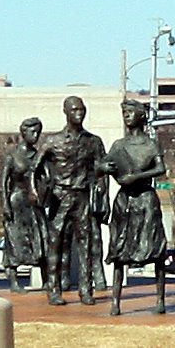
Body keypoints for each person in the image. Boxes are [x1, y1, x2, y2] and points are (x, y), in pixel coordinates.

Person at [39, 96, 106, 306]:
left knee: (86, 244)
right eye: (75, 109)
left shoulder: (93, 141)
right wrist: (37, 193)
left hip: (82, 196)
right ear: (66, 112)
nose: (79, 113)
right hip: (60, 197)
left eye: (82, 109)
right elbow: (35, 168)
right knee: (55, 244)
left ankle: (86, 290)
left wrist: (101, 186)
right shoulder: (53, 141)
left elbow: (100, 167)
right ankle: (54, 289)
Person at [103, 100, 168, 316]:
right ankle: (116, 303)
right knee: (120, 252)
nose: (126, 116)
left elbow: (161, 168)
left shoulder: (151, 145)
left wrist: (137, 176)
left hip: (146, 200)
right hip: (125, 202)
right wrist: (103, 167)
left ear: (141, 116)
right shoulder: (118, 145)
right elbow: (104, 165)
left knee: (156, 251)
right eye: (124, 112)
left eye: (130, 112)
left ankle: (160, 300)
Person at [1, 117, 48, 292]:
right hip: (16, 202)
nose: (36, 136)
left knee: (40, 239)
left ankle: (46, 280)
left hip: (35, 204)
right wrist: (5, 205)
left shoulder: (38, 156)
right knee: (15, 241)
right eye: (32, 132)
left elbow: (46, 178)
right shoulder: (13, 156)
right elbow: (4, 182)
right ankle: (14, 282)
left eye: (38, 132)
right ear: (23, 133)